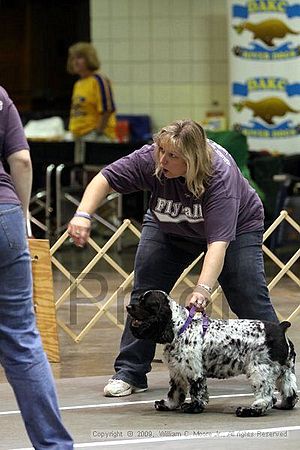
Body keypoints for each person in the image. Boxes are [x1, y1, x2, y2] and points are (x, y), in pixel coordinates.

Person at [68, 119, 278, 398]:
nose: (162, 159)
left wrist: (202, 289)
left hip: (237, 229)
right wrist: (83, 214)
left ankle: (280, 365)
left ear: (191, 160)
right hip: (168, 226)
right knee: (145, 294)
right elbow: (104, 178)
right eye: (160, 150)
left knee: (248, 295)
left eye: (172, 156)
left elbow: (218, 243)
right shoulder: (150, 158)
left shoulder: (219, 177)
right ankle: (130, 372)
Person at [0, 86, 74, 448]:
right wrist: (21, 212)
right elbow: (23, 161)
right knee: (22, 339)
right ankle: (54, 445)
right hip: (6, 215)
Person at [67, 41, 117, 163]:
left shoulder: (99, 80)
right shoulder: (78, 84)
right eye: (73, 58)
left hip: (96, 136)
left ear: (89, 59)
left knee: (95, 174)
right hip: (78, 136)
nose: (75, 62)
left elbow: (107, 109)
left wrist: (98, 132)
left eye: (79, 58)